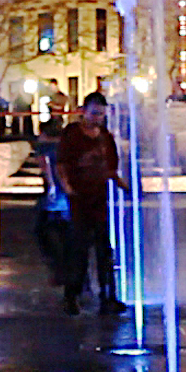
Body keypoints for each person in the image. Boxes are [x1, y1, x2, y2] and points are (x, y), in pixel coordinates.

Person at [48, 92, 131, 315]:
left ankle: (108, 296)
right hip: (79, 199)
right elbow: (61, 163)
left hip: (99, 200)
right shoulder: (72, 134)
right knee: (79, 250)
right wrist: (66, 188)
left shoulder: (105, 137)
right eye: (94, 113)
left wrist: (125, 186)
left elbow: (111, 169)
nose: (97, 119)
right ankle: (72, 296)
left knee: (105, 250)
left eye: (102, 115)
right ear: (83, 111)